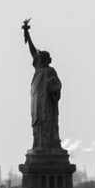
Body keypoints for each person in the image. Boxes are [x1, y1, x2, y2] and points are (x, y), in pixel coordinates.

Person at [22, 19, 62, 150]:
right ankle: (37, 144)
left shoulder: (50, 71)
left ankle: (49, 145)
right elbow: (32, 50)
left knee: (46, 123)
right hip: (37, 103)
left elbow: (57, 85)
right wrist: (27, 33)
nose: (36, 57)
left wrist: (53, 87)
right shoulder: (38, 69)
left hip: (47, 105)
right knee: (36, 123)